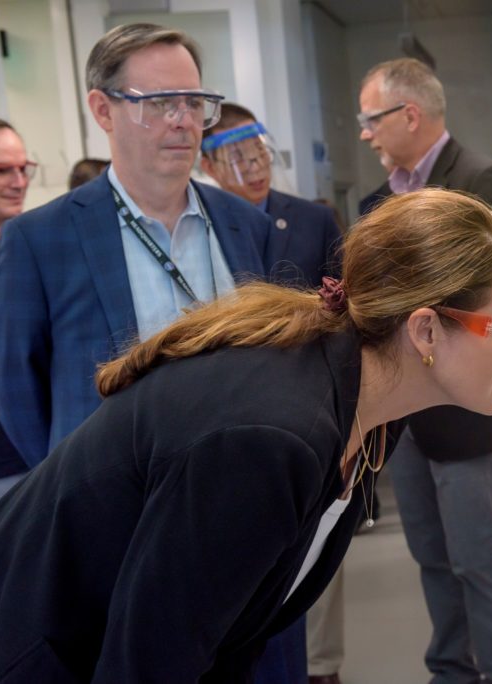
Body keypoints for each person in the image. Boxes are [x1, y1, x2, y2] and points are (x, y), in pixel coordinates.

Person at [0, 187, 492, 682]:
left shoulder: (370, 416)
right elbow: (148, 665)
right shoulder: (272, 436)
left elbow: (230, 627)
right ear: (424, 331)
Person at [0, 23, 271, 470]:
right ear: (103, 110)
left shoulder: (245, 224)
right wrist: (72, 482)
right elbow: (15, 394)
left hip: (239, 477)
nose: (182, 120)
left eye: (194, 102)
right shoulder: (40, 240)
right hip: (113, 502)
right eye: (159, 103)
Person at [358, 57, 492, 683]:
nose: (363, 133)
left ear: (410, 114)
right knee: (429, 555)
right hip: (403, 412)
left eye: (370, 117)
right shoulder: (378, 201)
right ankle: (451, 671)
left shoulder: (480, 181)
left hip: (464, 413)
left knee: (477, 559)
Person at [202, 104, 344, 684]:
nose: (252, 169)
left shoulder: (311, 219)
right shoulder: (203, 225)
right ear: (209, 164)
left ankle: (323, 666)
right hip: (229, 411)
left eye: (258, 155)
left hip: (310, 403)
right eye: (237, 159)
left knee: (316, 536)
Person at [202, 103, 343, 287]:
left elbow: (342, 295)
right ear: (210, 168)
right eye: (237, 157)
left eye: (259, 149)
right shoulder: (203, 227)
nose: (256, 166)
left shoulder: (316, 220)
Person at [0, 117, 35, 501]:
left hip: (38, 454)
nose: (18, 182)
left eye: (24, 169)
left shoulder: (32, 249)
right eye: (2, 170)